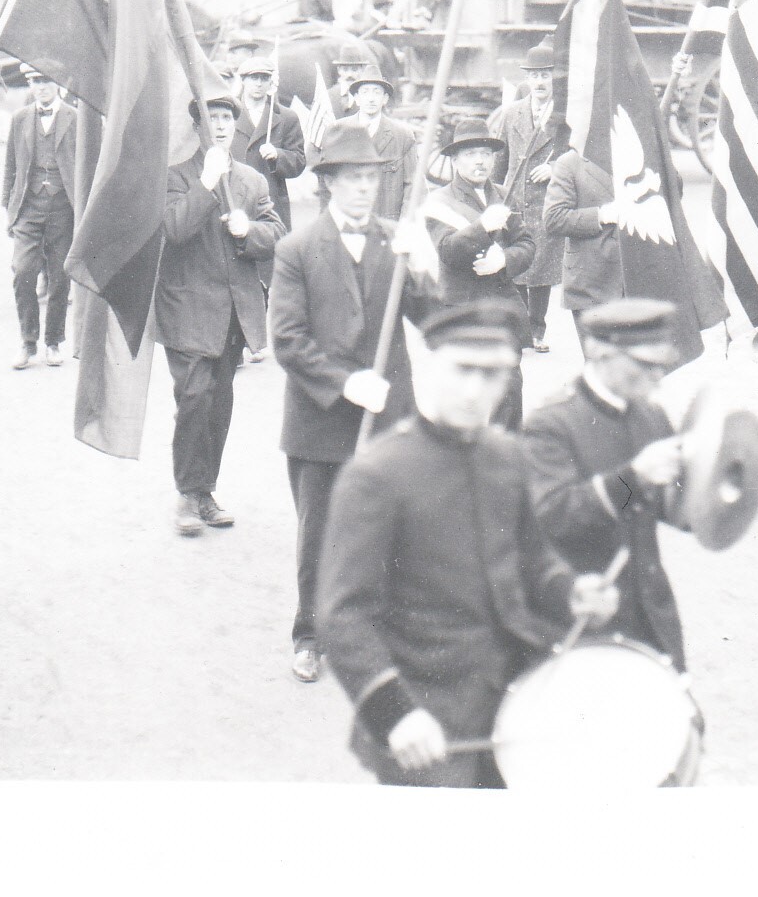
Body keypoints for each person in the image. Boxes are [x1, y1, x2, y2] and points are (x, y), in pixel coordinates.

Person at [317, 299, 622, 787]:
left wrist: (570, 591)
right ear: (429, 363)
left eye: (493, 375)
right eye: (462, 369)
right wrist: (395, 714)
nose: (475, 390)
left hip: (514, 700)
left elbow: (531, 559)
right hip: (426, 718)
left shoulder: (508, 456)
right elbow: (343, 617)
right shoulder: (376, 475)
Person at [269, 126, 434, 683]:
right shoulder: (296, 248)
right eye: (354, 179)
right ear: (331, 183)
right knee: (319, 531)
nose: (366, 189)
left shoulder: (397, 240)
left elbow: (434, 320)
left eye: (372, 178)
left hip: (390, 416)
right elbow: (288, 339)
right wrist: (345, 383)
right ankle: (311, 634)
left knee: (390, 524)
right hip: (321, 420)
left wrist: (425, 267)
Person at [521, 298, 690, 671]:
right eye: (645, 365)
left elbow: (675, 508)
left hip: (650, 616)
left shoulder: (651, 415)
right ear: (599, 351)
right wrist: (635, 479)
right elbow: (552, 514)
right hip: (582, 618)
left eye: (662, 366)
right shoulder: (551, 424)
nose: (657, 377)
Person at [156, 95, 284, 536]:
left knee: (219, 403)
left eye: (227, 118)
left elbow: (277, 232)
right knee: (193, 395)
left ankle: (205, 491)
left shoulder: (251, 180)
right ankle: (188, 495)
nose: (221, 126)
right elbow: (173, 230)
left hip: (234, 311)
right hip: (187, 306)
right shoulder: (176, 177)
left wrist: (250, 232)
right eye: (211, 119)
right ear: (198, 128)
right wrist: (207, 185)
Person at [423, 119, 537, 428]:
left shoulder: (503, 194)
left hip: (503, 308)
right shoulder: (439, 202)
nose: (479, 161)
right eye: (471, 154)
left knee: (509, 394)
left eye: (486, 153)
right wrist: (483, 227)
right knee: (465, 398)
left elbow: (526, 244)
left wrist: (505, 260)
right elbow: (448, 250)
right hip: (463, 310)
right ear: (456, 160)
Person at [1, 67, 77, 370]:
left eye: (46, 81)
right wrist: (9, 207)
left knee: (60, 277)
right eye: (35, 82)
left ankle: (53, 341)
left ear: (58, 83)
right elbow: (10, 165)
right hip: (28, 208)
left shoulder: (76, 118)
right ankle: (28, 341)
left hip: (64, 208)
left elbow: (89, 164)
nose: (41, 88)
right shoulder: (20, 118)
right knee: (22, 273)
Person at [489, 43, 563, 352]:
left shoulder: (565, 116)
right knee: (517, 264)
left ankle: (537, 329)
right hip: (516, 202)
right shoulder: (512, 113)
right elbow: (500, 164)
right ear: (528, 80)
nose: (540, 82)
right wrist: (492, 201)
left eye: (546, 75)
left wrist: (554, 169)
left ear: (554, 78)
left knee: (542, 269)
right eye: (535, 76)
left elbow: (579, 155)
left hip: (549, 202)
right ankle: (520, 329)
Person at [314, 73, 417, 221]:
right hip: (349, 221)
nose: (371, 98)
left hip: (387, 225)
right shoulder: (338, 130)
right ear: (356, 98)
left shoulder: (402, 135)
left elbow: (413, 187)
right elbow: (326, 185)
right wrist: (328, 221)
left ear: (385, 99)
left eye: (377, 92)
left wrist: (404, 224)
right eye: (365, 92)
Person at [543, 143, 626, 316]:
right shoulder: (570, 162)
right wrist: (600, 216)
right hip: (592, 283)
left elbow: (673, 192)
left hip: (639, 278)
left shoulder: (637, 154)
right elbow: (553, 218)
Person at [231, 56, 307, 232]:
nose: (259, 83)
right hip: (235, 197)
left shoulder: (286, 117)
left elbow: (299, 162)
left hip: (271, 200)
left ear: (270, 82)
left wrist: (278, 155)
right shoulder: (228, 114)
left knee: (270, 250)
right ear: (243, 80)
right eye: (253, 78)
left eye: (264, 78)